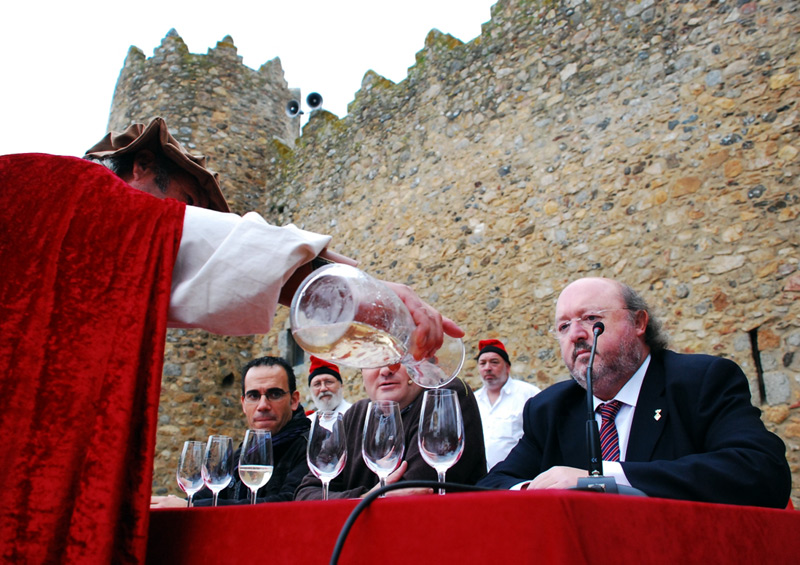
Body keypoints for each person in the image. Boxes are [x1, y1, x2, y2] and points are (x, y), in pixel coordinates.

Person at [0, 134, 462, 562]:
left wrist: (343, 285)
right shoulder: (59, 190)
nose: (183, 220)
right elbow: (196, 245)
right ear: (142, 166)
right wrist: (355, 289)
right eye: (188, 205)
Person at [478, 277, 791, 508]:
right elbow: (491, 485)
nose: (576, 335)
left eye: (591, 318)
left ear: (639, 322)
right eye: (563, 327)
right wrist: (537, 489)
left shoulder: (701, 381)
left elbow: (761, 471)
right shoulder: (549, 408)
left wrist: (600, 478)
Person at [294, 364, 486, 500]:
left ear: (418, 364)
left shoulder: (444, 396)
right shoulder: (357, 415)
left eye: (398, 359)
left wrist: (352, 500)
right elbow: (307, 492)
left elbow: (412, 493)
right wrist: (365, 497)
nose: (385, 370)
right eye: (374, 361)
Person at [154, 357, 311, 506]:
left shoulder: (313, 446)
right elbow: (212, 493)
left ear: (294, 400)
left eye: (275, 394)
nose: (263, 405)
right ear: (243, 404)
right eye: (254, 395)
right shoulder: (244, 452)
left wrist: (192, 506)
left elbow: (290, 502)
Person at [473, 339, 540, 470]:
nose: (487, 368)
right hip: (480, 479)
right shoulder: (472, 400)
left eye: (494, 362)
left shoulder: (529, 394)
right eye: (482, 363)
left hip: (516, 478)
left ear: (507, 367)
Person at [307, 356, 352, 423]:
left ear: (341, 386)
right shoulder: (309, 422)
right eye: (317, 384)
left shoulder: (354, 415)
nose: (323, 388)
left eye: (328, 382)